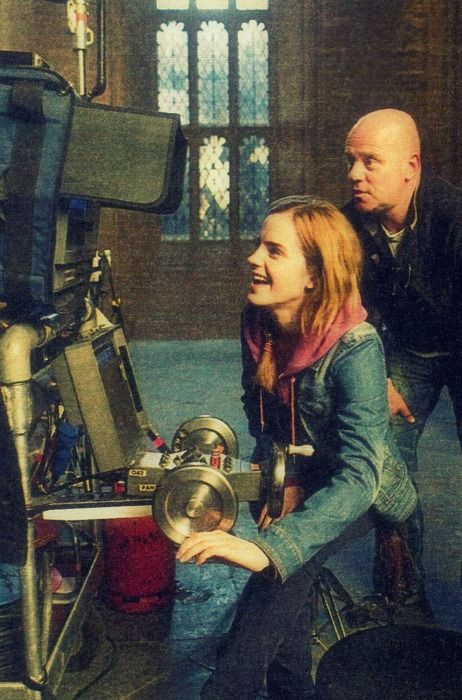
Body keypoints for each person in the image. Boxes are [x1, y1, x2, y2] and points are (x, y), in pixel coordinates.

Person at [176, 196, 416, 700]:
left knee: (281, 566)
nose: (253, 258)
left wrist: (266, 549)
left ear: (314, 275)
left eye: (274, 250)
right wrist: (278, 478)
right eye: (258, 244)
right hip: (302, 474)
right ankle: (292, 688)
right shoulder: (259, 321)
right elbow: (260, 411)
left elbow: (361, 477)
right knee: (290, 578)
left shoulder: (356, 346)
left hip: (362, 487)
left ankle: (226, 691)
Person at [342, 108, 462, 612]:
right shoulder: (347, 223)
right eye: (351, 161)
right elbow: (343, 309)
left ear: (411, 167)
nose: (355, 174)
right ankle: (404, 599)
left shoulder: (453, 216)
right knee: (383, 455)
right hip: (404, 352)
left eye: (370, 161)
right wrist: (376, 378)